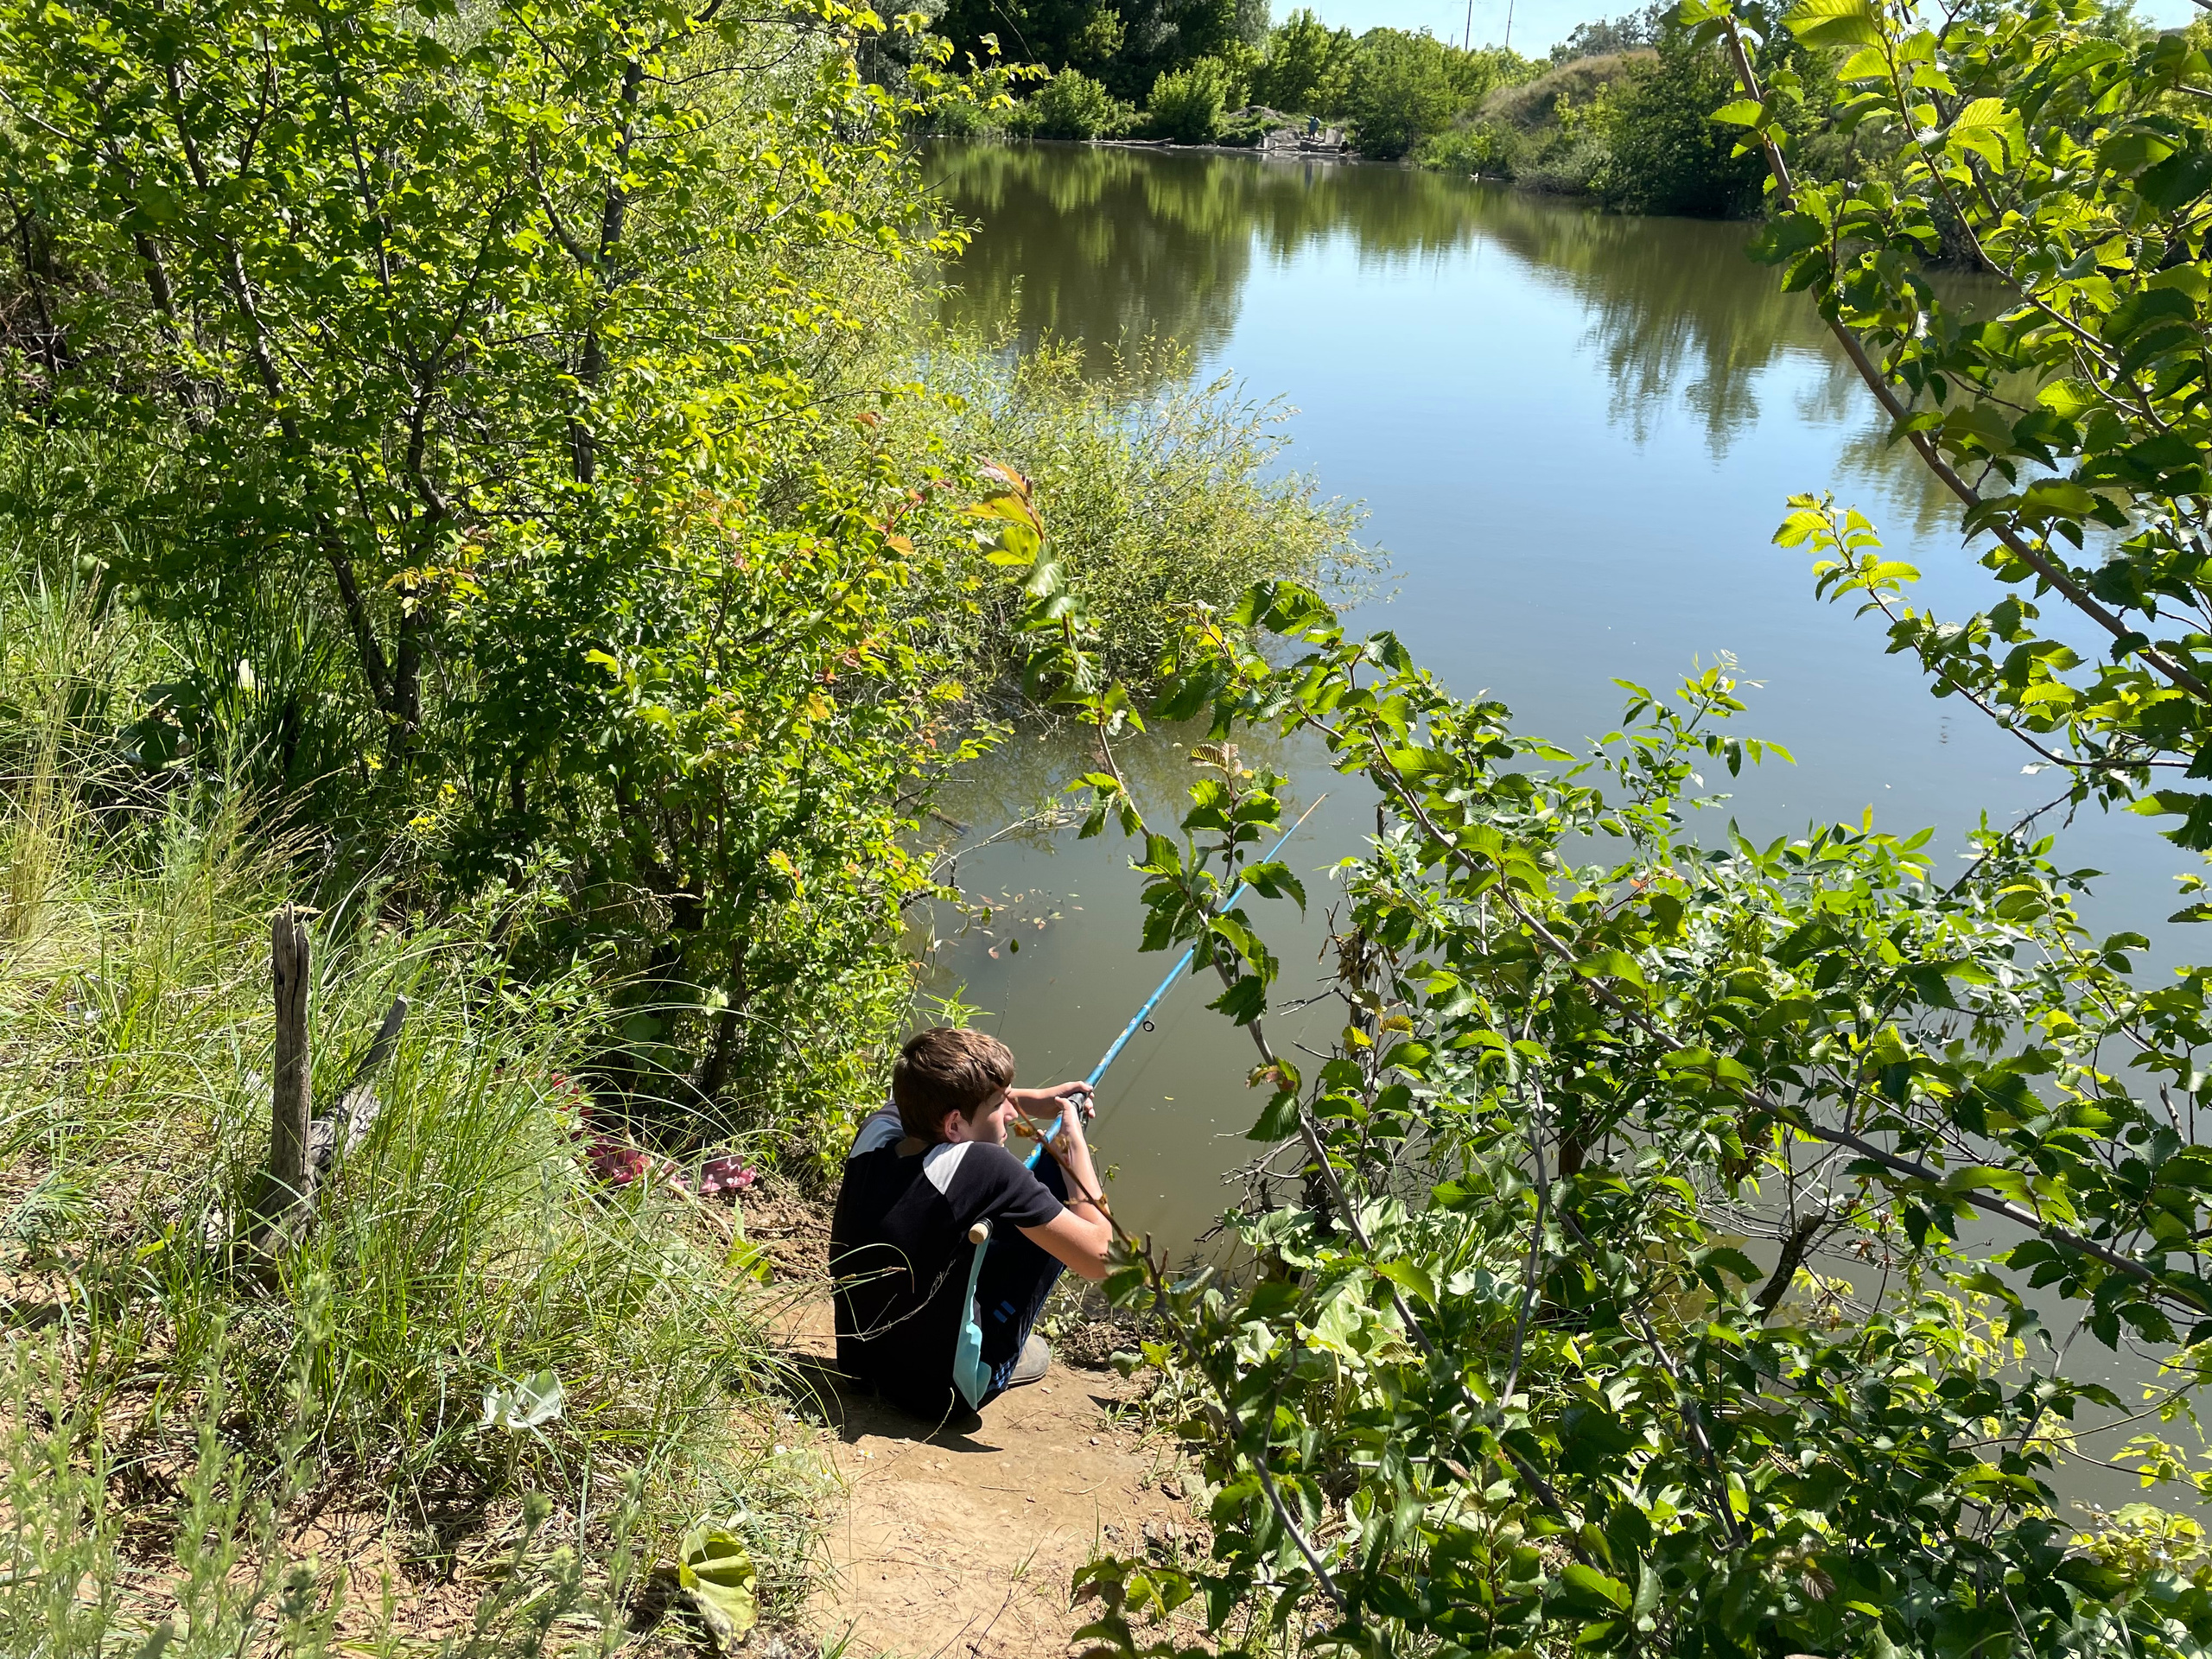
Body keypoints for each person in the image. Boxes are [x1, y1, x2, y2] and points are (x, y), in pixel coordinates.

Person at [830, 1027, 1112, 1422]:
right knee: (1051, 1177)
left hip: (859, 1364)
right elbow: (1102, 1260)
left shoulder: (876, 1131)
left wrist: (1033, 1100)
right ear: (954, 1126)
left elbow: (913, 1101)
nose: (1013, 1114)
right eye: (1000, 1104)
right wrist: (1070, 1143)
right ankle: (997, 1358)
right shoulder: (985, 1166)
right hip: (941, 1397)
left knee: (994, 1209)